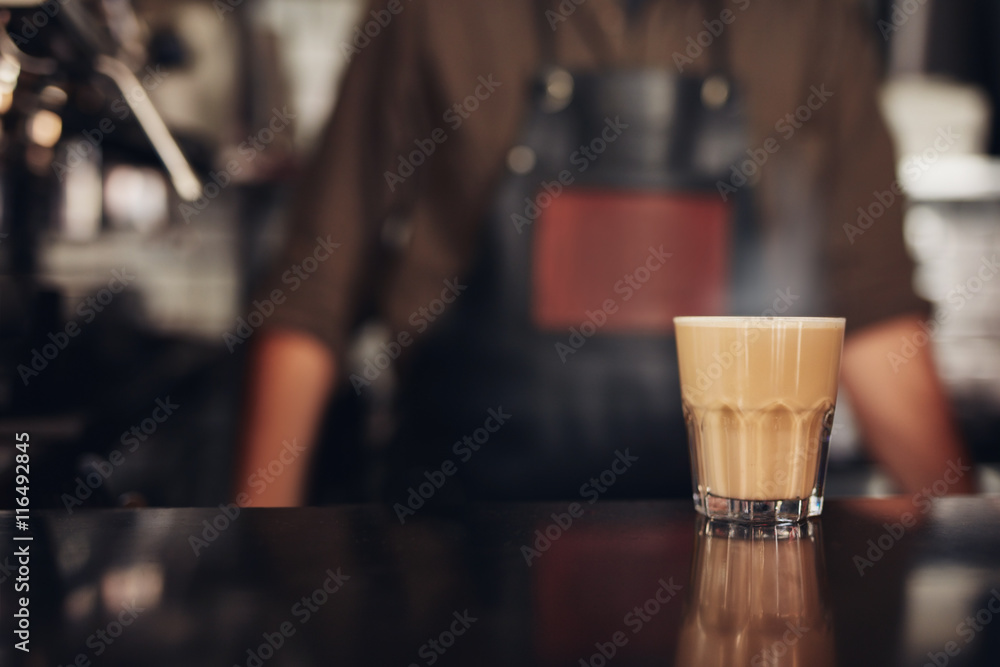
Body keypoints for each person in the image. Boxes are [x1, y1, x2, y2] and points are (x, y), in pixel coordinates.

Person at [235, 0, 976, 506]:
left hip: (730, 572)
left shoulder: (809, 20)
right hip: (456, 552)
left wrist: (975, 560)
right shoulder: (429, 12)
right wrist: (256, 537)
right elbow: (314, 287)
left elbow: (877, 322)